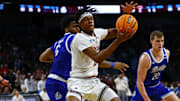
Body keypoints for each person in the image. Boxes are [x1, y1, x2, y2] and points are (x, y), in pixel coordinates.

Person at [39, 15, 130, 101]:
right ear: (66, 28)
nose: (78, 28)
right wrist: (113, 64)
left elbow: (43, 57)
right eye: (75, 26)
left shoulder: (59, 42)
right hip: (60, 81)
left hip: (61, 81)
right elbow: (95, 59)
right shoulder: (75, 39)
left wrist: (61, 60)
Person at [66, 4, 136, 100]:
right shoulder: (79, 39)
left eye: (91, 18)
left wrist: (126, 17)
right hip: (78, 81)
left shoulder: (97, 33)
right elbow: (98, 58)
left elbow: (118, 31)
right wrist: (118, 41)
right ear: (80, 24)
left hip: (94, 82)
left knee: (116, 100)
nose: (90, 21)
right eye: (86, 19)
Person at [131, 30, 180, 101]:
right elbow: (139, 82)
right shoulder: (145, 58)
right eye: (157, 41)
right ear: (151, 42)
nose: (160, 43)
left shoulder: (167, 53)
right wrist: (147, 99)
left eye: (162, 41)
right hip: (144, 88)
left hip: (156, 86)